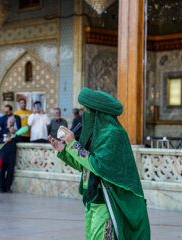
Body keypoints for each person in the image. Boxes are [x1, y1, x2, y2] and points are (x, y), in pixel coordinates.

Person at [49, 88, 150, 240]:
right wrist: (64, 150)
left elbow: (99, 166)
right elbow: (86, 167)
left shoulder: (113, 133)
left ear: (97, 112)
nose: (84, 114)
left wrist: (72, 145)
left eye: (87, 110)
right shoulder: (95, 134)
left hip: (107, 200)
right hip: (92, 199)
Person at [0, 123, 21, 193]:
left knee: (10, 172)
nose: (11, 125)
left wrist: (15, 135)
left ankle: (7, 187)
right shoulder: (2, 130)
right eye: (10, 122)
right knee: (1, 172)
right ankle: (1, 187)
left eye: (12, 123)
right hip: (3, 155)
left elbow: (20, 140)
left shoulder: (16, 133)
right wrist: (4, 140)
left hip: (11, 155)